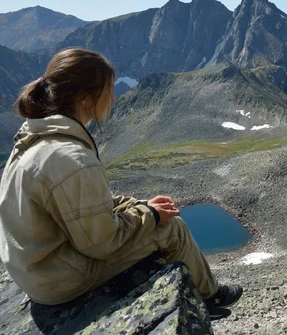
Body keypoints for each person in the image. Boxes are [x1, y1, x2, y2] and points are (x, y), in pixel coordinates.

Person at [0, 48, 242, 312]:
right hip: (58, 280)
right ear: (85, 97)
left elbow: (77, 205)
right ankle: (209, 296)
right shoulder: (72, 158)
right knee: (173, 229)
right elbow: (101, 244)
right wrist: (149, 215)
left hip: (35, 269)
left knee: (152, 220)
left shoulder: (36, 134)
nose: (114, 97)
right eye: (109, 89)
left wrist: (139, 206)